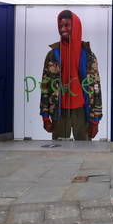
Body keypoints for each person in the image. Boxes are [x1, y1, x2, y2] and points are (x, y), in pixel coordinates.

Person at [40, 10, 102, 140]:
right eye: (60, 26)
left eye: (67, 25)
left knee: (84, 150)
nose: (63, 29)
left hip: (82, 110)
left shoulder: (88, 55)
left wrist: (95, 120)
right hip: (59, 109)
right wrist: (45, 117)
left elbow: (96, 87)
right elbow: (45, 87)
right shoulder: (53, 55)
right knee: (60, 152)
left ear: (76, 26)